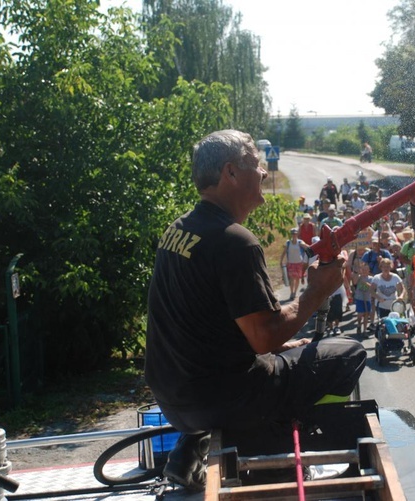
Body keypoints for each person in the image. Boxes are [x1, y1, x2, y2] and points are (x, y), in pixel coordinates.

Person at [145, 130, 366, 491]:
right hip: (226, 398)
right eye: (256, 163)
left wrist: (280, 345)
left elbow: (208, 325)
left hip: (175, 400)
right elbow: (264, 337)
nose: (264, 172)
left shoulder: (178, 230)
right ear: (230, 173)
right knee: (349, 354)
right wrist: (317, 291)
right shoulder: (235, 241)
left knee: (296, 351)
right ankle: (276, 444)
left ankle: (193, 444)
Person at [279, 227, 308, 300]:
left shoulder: (300, 242)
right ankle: (291, 293)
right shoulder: (288, 243)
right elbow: (284, 252)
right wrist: (281, 260)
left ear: (297, 234)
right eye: (293, 234)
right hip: (291, 263)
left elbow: (306, 247)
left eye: (295, 234)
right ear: (291, 235)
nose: (294, 235)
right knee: (292, 279)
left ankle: (295, 292)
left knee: (297, 279)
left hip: (299, 263)